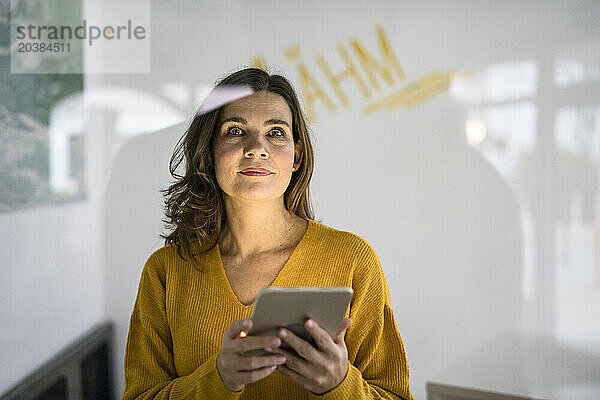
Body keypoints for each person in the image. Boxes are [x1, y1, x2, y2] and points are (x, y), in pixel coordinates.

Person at [121, 68, 414, 399]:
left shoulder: (353, 260)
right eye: (235, 131)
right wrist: (217, 380)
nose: (257, 147)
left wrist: (339, 385)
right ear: (210, 151)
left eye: (276, 133)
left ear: (297, 156)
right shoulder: (165, 271)